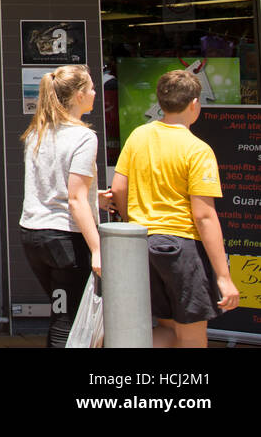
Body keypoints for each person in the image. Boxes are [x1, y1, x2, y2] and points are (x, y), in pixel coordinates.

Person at [110, 69, 239, 348]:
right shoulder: (197, 149)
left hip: (142, 244)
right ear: (194, 104)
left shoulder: (138, 136)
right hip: (182, 249)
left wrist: (130, 217)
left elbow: (119, 188)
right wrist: (224, 277)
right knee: (191, 337)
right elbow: (204, 215)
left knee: (168, 332)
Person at [17, 64, 102, 347]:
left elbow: (50, 185)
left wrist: (96, 197)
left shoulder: (36, 132)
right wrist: (98, 250)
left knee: (63, 312)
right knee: (67, 321)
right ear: (78, 95)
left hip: (33, 234)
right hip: (65, 240)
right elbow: (75, 200)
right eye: (90, 87)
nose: (94, 92)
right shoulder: (84, 137)